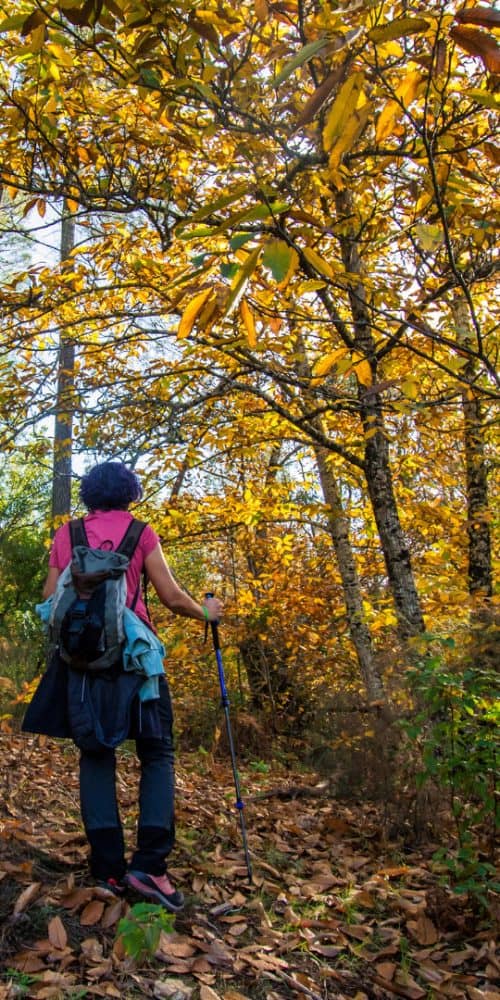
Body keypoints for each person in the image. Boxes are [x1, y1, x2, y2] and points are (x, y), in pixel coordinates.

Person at [23, 461, 222, 911]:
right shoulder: (141, 533)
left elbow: (49, 600)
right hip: (137, 661)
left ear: (89, 494)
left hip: (83, 664)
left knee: (96, 754)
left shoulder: (67, 534)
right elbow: (171, 597)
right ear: (130, 493)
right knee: (156, 753)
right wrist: (206, 613)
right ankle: (149, 866)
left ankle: (108, 869)